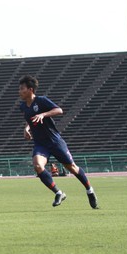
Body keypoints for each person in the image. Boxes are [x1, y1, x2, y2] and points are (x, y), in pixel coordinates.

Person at [18, 75, 98, 208]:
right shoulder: (23, 106)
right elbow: (29, 118)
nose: (19, 91)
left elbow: (59, 110)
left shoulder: (41, 101)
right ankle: (59, 193)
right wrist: (26, 128)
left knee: (72, 168)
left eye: (22, 89)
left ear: (30, 90)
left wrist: (43, 114)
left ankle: (90, 190)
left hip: (55, 141)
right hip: (40, 144)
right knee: (38, 166)